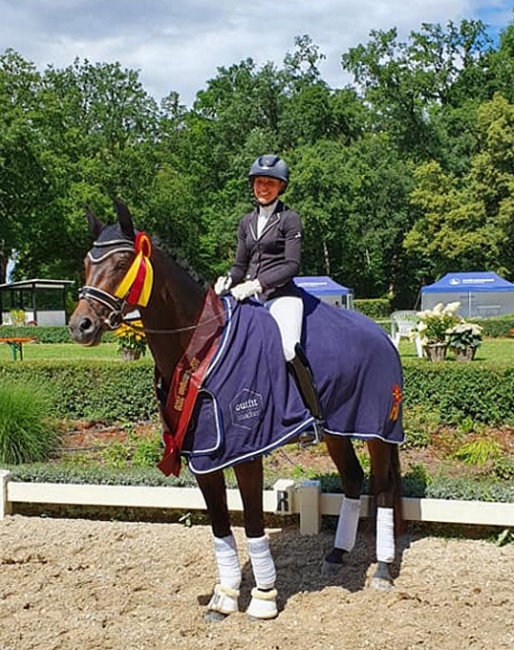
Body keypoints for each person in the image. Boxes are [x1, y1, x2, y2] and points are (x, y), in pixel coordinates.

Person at [214, 154, 323, 443]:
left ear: (280, 187)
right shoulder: (246, 222)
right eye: (260, 182)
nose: (264, 187)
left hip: (281, 295)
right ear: (253, 185)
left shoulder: (289, 218)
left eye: (271, 183)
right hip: (249, 295)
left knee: (288, 348)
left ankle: (309, 418)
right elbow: (240, 265)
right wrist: (228, 279)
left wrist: (257, 285)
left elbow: (291, 266)